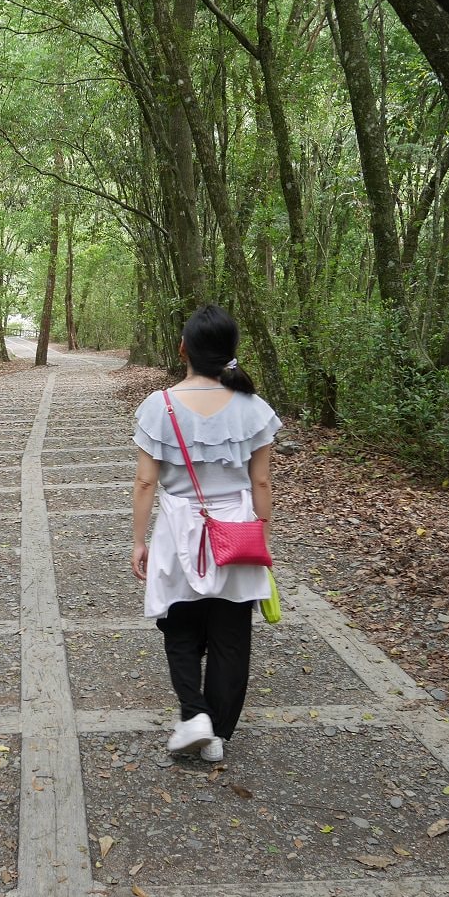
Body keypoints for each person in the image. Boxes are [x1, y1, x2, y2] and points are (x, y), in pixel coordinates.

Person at [131, 305, 281, 762]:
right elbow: (261, 483)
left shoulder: (160, 406)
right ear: (232, 352)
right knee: (231, 630)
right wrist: (264, 536)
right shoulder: (253, 408)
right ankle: (213, 731)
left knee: (179, 622)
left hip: (179, 527)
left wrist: (138, 541)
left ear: (184, 350)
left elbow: (144, 482)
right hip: (236, 527)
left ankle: (194, 715)